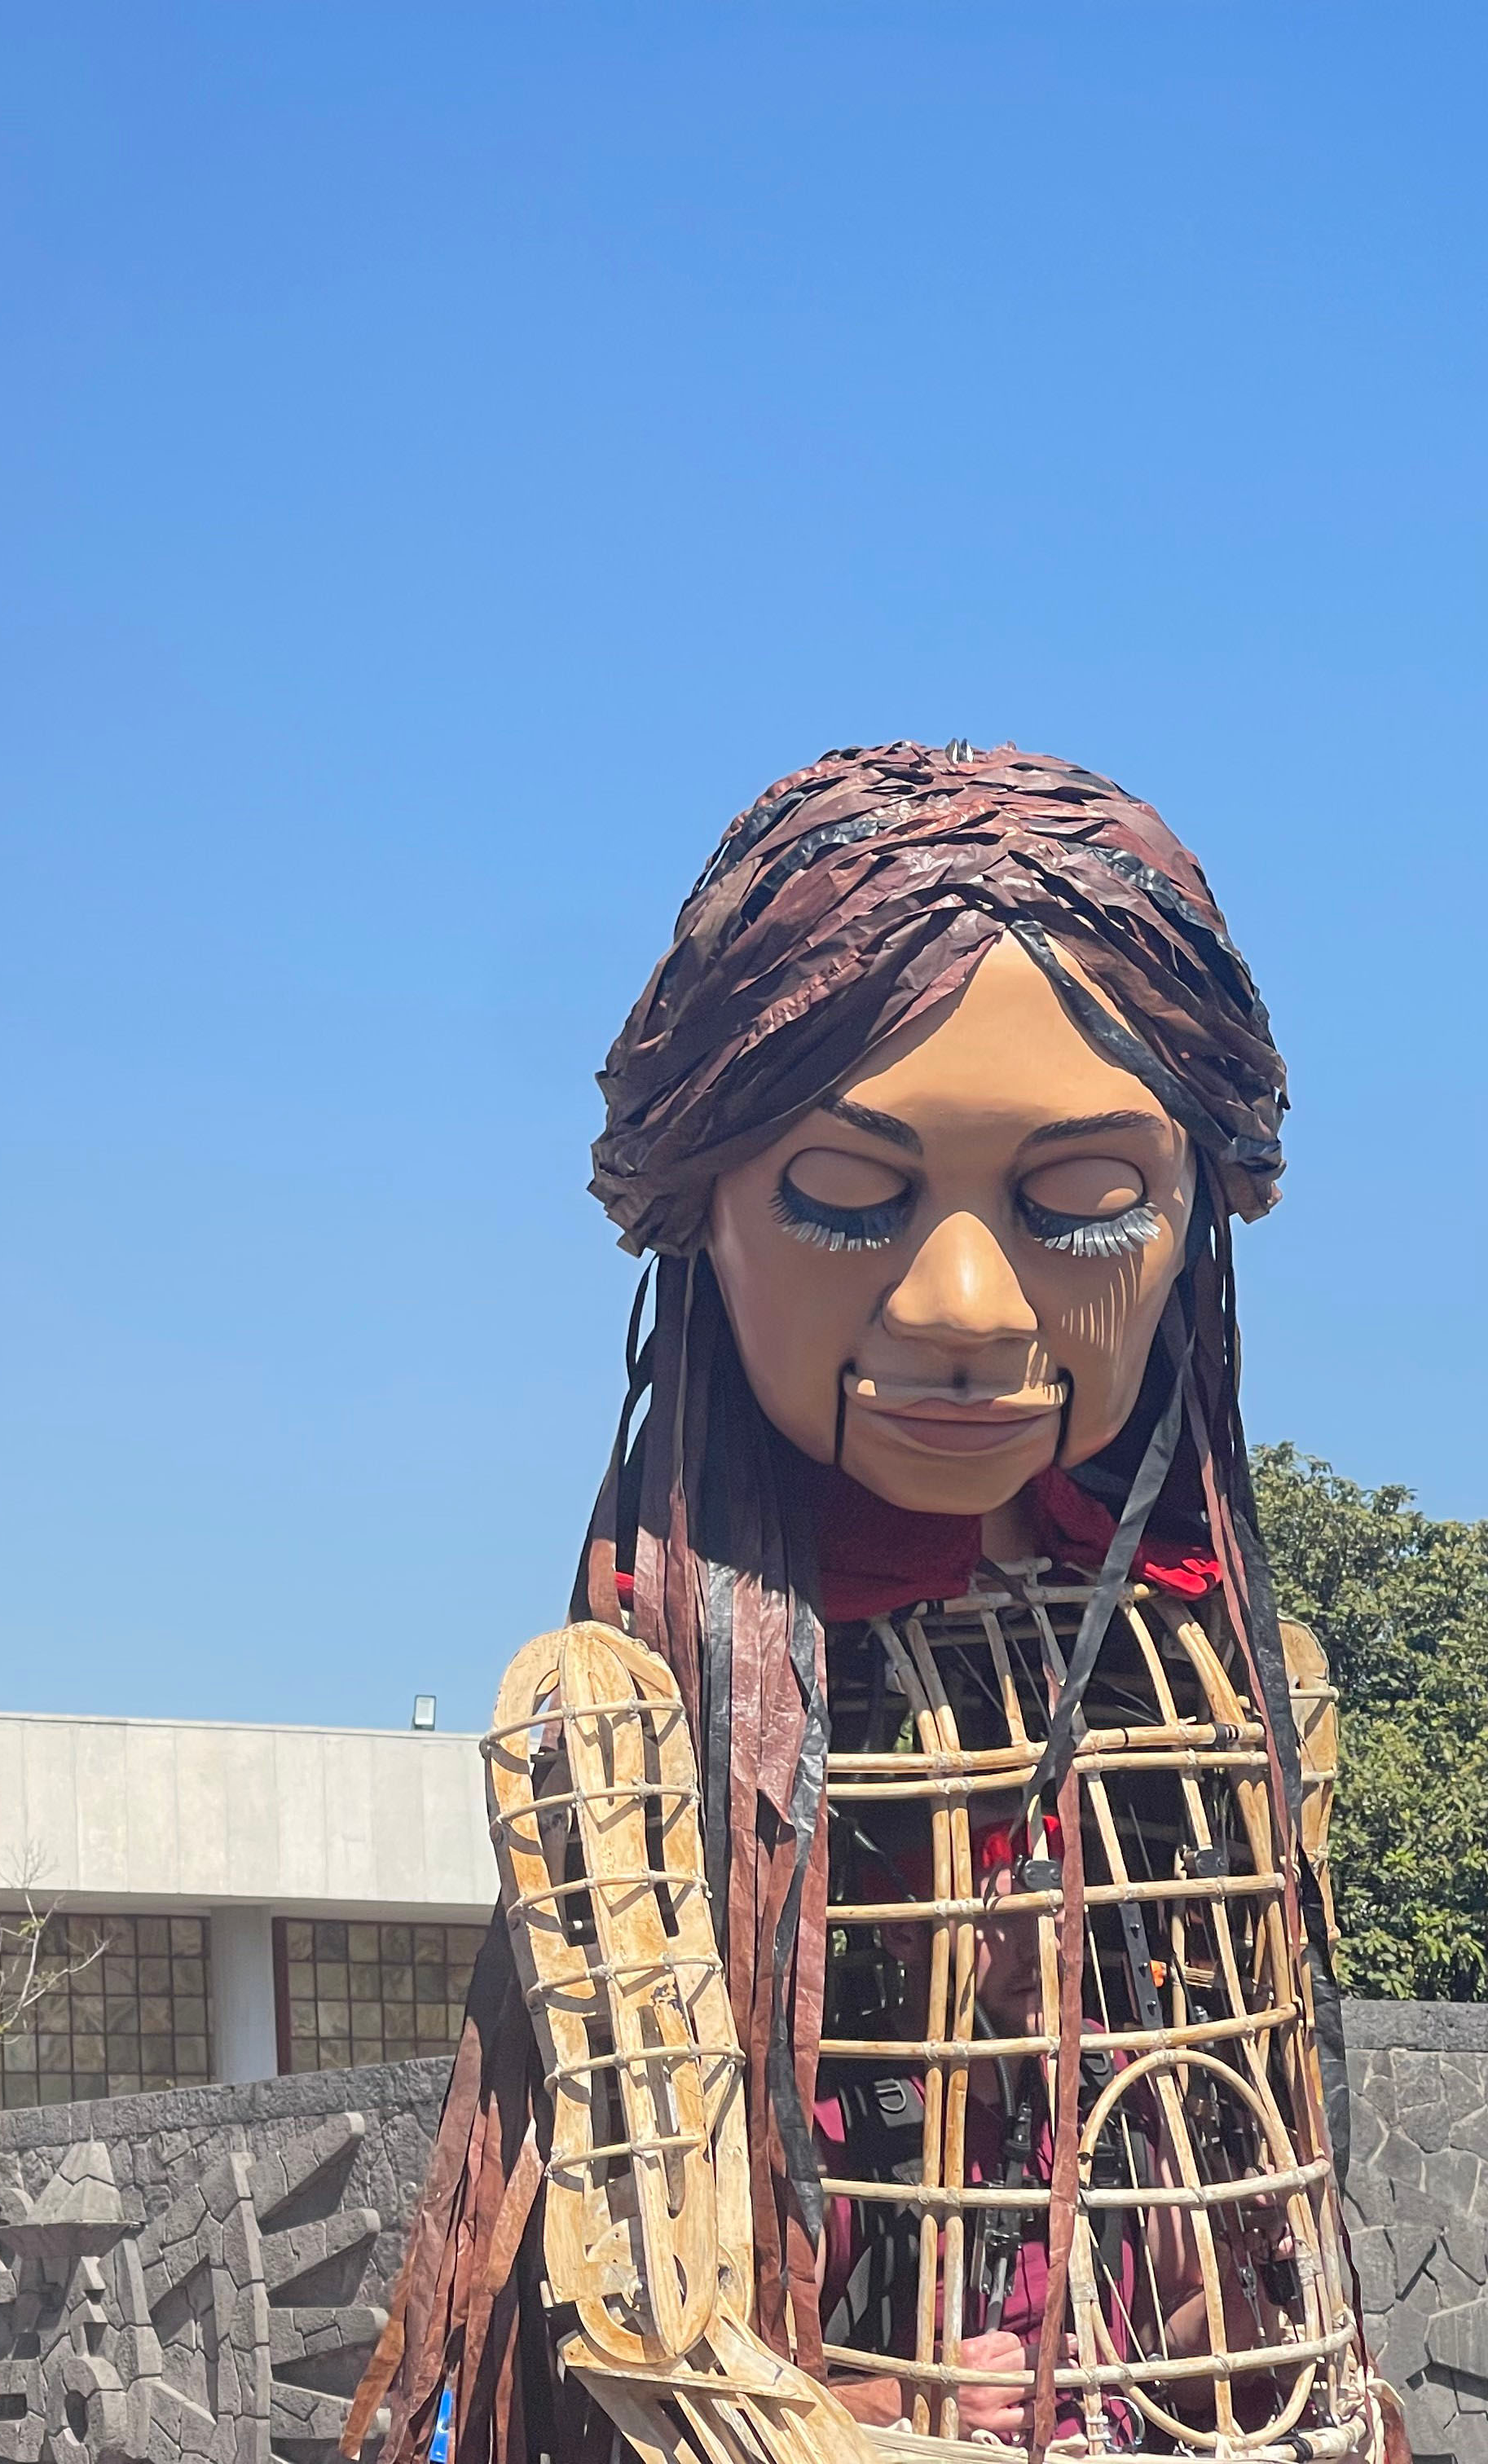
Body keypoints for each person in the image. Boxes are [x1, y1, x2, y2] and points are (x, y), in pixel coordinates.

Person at [365, 745, 1389, 2464]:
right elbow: (652, 2314)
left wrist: (1215, 2340)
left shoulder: (1229, 1691)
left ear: (1197, 1218)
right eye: (848, 1198)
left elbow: (1259, 2202)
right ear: (707, 1215)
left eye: (1081, 1203)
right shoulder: (625, 1732)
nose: (969, 1304)